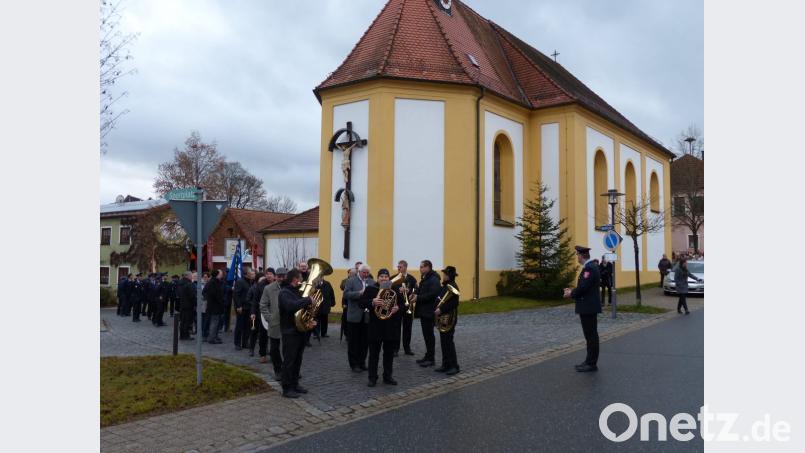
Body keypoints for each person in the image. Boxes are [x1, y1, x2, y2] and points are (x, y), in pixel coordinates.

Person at [563, 245, 602, 372]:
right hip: (589, 306)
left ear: (581, 256)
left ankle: (591, 363)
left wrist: (571, 294)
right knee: (590, 336)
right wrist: (573, 291)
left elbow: (583, 287)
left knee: (591, 336)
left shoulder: (589, 268)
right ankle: (589, 361)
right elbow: (585, 286)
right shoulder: (590, 267)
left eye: (577, 255)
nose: (577, 258)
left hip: (588, 307)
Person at [278, 269, 314, 398]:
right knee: (289, 361)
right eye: (300, 278)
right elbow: (290, 306)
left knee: (298, 359)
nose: (303, 281)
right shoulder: (284, 293)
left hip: (300, 331)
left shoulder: (298, 292)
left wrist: (309, 319)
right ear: (295, 279)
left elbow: (303, 310)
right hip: (289, 332)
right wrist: (308, 300)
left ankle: (295, 384)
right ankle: (286, 388)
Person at [364, 268, 401, 387]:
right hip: (375, 327)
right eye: (381, 276)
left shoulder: (394, 290)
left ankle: (388, 376)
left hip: (390, 327)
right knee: (374, 354)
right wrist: (372, 302)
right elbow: (361, 303)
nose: (384, 278)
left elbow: (403, 306)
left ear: (388, 278)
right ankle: (372, 377)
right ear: (377, 278)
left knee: (389, 354)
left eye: (386, 277)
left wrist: (398, 308)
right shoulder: (371, 289)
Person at [344, 264, 374, 372]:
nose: (366, 274)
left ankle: (362, 362)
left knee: (364, 341)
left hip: (366, 316)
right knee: (353, 342)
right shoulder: (351, 281)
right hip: (354, 315)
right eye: (364, 272)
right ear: (359, 272)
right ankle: (354, 364)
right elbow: (346, 294)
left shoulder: (371, 282)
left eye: (367, 273)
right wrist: (359, 293)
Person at [414, 260, 441, 368]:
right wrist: (415, 294)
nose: (420, 269)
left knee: (429, 336)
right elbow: (423, 291)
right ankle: (428, 355)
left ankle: (431, 358)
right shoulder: (426, 278)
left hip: (429, 311)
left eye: (422, 267)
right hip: (424, 311)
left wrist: (418, 297)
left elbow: (432, 295)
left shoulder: (434, 279)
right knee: (426, 335)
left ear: (428, 267)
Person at [261, 267, 287, 378]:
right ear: (276, 276)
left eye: (283, 276)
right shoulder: (268, 288)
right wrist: (269, 318)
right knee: (274, 349)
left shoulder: (292, 287)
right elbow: (263, 305)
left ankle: (289, 369)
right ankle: (278, 370)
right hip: (275, 322)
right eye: (279, 276)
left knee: (289, 349)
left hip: (289, 322)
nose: (281, 278)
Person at [434, 266, 460, 375]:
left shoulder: (453, 287)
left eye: (445, 274)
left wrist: (441, 309)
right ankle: (446, 364)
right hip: (443, 317)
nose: (443, 276)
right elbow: (440, 299)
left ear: (448, 276)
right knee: (444, 342)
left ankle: (454, 366)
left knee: (448, 342)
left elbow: (454, 303)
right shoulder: (444, 286)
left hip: (449, 318)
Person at [393, 260, 417, 356]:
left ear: (405, 267)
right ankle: (395, 349)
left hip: (408, 306)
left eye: (400, 267)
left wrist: (409, 290)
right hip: (398, 306)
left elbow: (416, 289)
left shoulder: (411, 278)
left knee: (408, 327)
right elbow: (390, 289)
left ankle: (407, 348)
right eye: (398, 267)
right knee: (396, 327)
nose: (399, 268)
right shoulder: (394, 278)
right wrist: (398, 290)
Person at [250, 270, 274, 361]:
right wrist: (252, 312)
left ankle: (273, 355)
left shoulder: (277, 285)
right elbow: (255, 300)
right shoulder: (260, 285)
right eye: (267, 274)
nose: (268, 276)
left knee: (274, 336)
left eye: (270, 274)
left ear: (274, 275)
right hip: (263, 313)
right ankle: (262, 355)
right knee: (263, 335)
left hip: (274, 313)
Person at [233, 268, 256, 350]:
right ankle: (237, 343)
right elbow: (236, 295)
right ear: (247, 274)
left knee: (248, 326)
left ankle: (245, 343)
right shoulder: (240, 282)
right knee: (239, 326)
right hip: (241, 308)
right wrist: (238, 306)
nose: (254, 275)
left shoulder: (252, 282)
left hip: (249, 307)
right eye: (252, 274)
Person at [204, 269, 226, 344]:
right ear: (217, 275)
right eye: (220, 274)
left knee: (216, 322)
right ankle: (212, 338)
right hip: (215, 306)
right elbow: (215, 295)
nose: (222, 275)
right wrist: (220, 301)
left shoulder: (214, 282)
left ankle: (214, 336)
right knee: (214, 322)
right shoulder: (213, 283)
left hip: (215, 305)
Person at [178, 271, 196, 340]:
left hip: (182, 304)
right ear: (187, 276)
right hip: (188, 305)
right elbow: (192, 296)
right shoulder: (189, 284)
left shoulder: (181, 283)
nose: (192, 277)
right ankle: (185, 336)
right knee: (187, 321)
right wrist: (195, 303)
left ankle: (182, 335)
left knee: (183, 321)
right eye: (191, 276)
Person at [339, 268, 356, 341]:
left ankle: (352, 334)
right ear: (348, 273)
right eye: (350, 273)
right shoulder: (345, 281)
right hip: (346, 302)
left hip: (354, 302)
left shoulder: (358, 280)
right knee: (345, 319)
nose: (351, 274)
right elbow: (342, 287)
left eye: (353, 273)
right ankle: (346, 334)